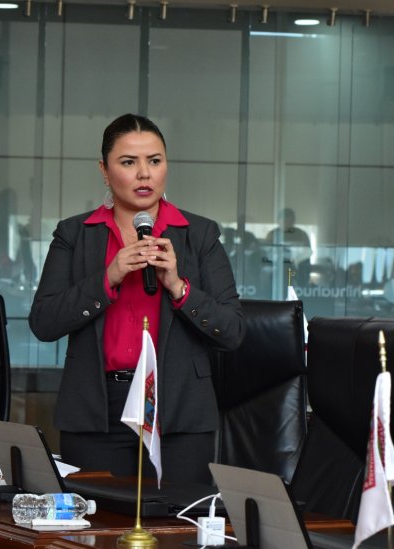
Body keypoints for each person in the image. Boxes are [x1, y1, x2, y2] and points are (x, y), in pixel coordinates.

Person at [29, 114, 245, 485]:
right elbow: (44, 323)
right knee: (97, 517)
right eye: (129, 162)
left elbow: (232, 331)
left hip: (178, 409)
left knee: (174, 518)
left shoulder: (199, 234)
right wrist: (108, 277)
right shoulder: (75, 234)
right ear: (104, 170)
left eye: (154, 161)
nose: (144, 174)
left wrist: (178, 286)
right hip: (97, 411)